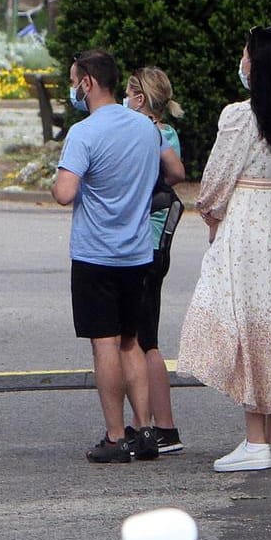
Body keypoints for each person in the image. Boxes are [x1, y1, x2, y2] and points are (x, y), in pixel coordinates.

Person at [179, 27, 271, 471]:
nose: (242, 62)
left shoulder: (241, 115)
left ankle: (255, 440)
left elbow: (216, 179)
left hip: (247, 220)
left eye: (245, 55)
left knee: (246, 323)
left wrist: (210, 215)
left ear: (256, 65)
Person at [51, 49, 167, 464]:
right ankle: (145, 428)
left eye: (73, 80)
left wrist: (64, 182)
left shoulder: (85, 132)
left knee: (105, 343)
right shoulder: (145, 129)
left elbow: (65, 192)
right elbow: (164, 174)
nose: (72, 89)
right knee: (132, 341)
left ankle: (116, 436)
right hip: (137, 252)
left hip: (96, 253)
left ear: (87, 83)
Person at [125, 67, 188, 453]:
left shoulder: (149, 134)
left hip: (140, 247)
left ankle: (146, 424)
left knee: (137, 340)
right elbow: (177, 175)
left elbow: (175, 171)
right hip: (158, 245)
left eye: (129, 95)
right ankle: (164, 425)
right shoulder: (169, 133)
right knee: (148, 338)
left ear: (140, 99)